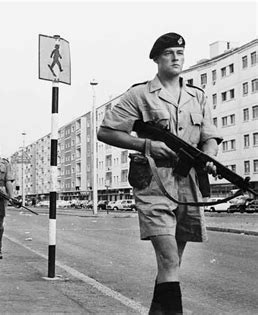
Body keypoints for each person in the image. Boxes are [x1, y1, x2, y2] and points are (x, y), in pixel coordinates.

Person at [97, 32, 221, 314]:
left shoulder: (197, 96)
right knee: (168, 260)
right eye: (169, 53)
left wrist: (209, 158)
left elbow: (210, 136)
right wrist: (146, 144)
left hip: (188, 183)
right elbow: (105, 131)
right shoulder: (139, 94)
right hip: (154, 182)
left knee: (172, 262)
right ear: (156, 58)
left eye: (180, 53)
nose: (176, 58)